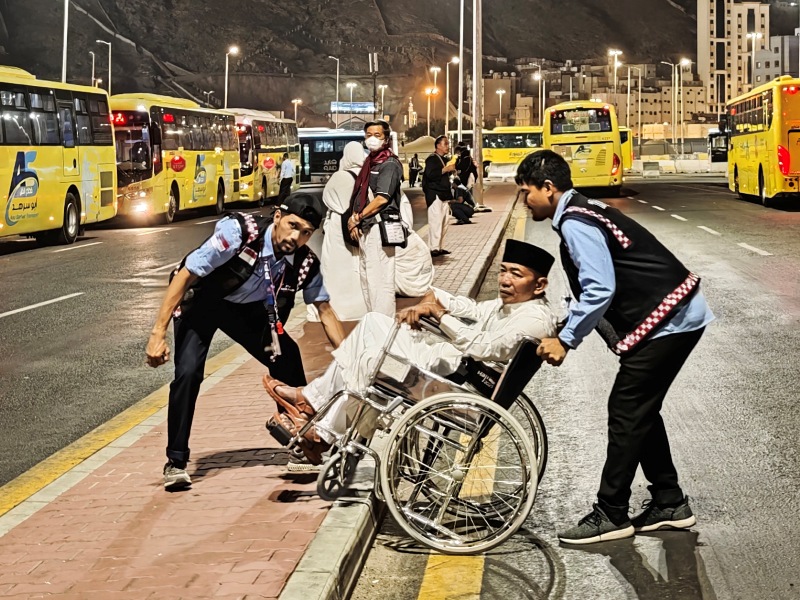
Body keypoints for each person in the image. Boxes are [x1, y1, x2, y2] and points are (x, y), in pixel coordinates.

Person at [515, 149, 715, 545]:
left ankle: (611, 512)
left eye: (527, 192)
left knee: (626, 409)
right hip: (675, 313)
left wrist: (567, 340)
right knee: (638, 408)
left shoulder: (575, 223)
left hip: (670, 320)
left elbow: (600, 288)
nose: (525, 200)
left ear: (549, 188)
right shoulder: (582, 210)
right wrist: (564, 322)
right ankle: (669, 502)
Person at [262, 239, 560, 464]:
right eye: (503, 271)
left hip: (458, 381)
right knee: (372, 326)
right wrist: (435, 299)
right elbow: (474, 309)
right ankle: (315, 413)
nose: (505, 280)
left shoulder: (533, 319)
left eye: (516, 274)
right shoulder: (514, 305)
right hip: (452, 368)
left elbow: (483, 347)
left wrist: (439, 315)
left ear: (540, 285)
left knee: (370, 357)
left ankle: (318, 421)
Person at [146, 193, 346, 490]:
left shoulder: (304, 264)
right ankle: (176, 462)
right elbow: (187, 273)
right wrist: (158, 333)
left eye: (305, 232)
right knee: (188, 373)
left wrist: (352, 361)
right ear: (278, 216)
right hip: (201, 302)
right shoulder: (239, 233)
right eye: (292, 225)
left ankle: (302, 441)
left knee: (287, 356)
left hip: (247, 311)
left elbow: (326, 312)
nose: (296, 237)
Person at [347, 120, 404, 317]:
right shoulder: (370, 162)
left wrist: (357, 217)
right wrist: (355, 220)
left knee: (381, 281)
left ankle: (384, 324)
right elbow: (360, 194)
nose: (372, 138)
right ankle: (374, 320)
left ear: (386, 138)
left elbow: (382, 198)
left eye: (377, 135)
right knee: (368, 278)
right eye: (368, 134)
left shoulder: (389, 164)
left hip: (380, 228)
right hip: (367, 227)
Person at [320, 141, 369, 320]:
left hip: (338, 230)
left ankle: (337, 308)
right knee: (358, 266)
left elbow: (327, 198)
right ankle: (361, 306)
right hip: (361, 228)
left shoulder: (340, 177)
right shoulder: (368, 176)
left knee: (336, 267)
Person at [423, 135, 456, 257]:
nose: (448, 146)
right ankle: (433, 248)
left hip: (444, 195)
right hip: (434, 194)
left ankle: (440, 247)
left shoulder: (443, 159)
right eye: (445, 144)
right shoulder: (432, 159)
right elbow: (430, 175)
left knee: (444, 222)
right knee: (435, 222)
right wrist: (445, 169)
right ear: (438, 145)